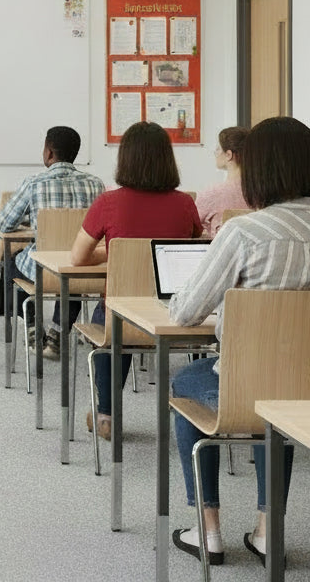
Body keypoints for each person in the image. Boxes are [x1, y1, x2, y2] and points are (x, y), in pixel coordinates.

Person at [167, 116, 310, 565]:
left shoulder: (243, 232)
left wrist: (233, 309)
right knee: (280, 399)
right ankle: (268, 529)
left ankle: (208, 529)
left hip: (251, 390)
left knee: (185, 380)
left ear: (258, 172)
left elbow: (184, 311)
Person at [70, 121, 202, 440]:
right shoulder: (185, 203)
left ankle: (106, 413)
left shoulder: (109, 203)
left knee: (111, 322)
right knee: (123, 317)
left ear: (125, 159)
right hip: (173, 316)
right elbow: (195, 245)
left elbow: (78, 258)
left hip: (122, 315)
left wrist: (111, 253)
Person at [0, 126, 105, 359]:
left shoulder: (34, 183)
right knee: (71, 281)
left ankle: (33, 327)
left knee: (13, 262)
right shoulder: (96, 185)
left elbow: (4, 225)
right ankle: (58, 334)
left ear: (49, 153)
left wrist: (32, 222)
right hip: (82, 269)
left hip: (42, 271)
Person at [194, 126, 249, 237]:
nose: (215, 153)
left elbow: (191, 227)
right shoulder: (263, 192)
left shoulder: (213, 193)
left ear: (228, 155)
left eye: (218, 149)